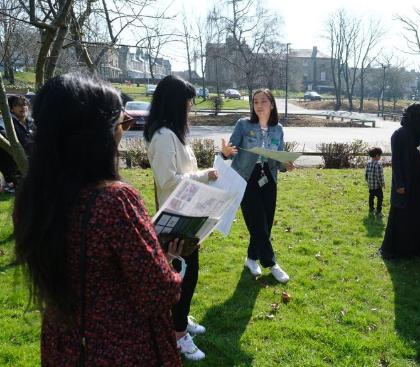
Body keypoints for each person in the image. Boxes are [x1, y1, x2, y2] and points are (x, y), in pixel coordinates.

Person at [13, 73, 183, 366]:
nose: (122, 133)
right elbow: (158, 292)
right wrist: (172, 261)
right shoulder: (114, 201)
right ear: (95, 135)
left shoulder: (32, 199)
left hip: (63, 346)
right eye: (121, 124)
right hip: (121, 347)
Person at [144, 75, 217, 361]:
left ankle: (181, 320)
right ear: (175, 102)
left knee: (188, 272)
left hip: (189, 212)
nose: (190, 106)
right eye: (187, 100)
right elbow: (168, 181)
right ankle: (176, 335)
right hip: (175, 218)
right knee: (185, 276)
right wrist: (205, 176)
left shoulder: (173, 133)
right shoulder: (162, 136)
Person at [220, 88, 294, 283]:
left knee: (265, 222)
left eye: (263, 101)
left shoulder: (278, 128)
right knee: (258, 222)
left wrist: (286, 164)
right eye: (255, 102)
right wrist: (225, 152)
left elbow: (279, 157)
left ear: (271, 104)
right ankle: (271, 263)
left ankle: (251, 259)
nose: (259, 105)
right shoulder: (243, 125)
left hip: (269, 178)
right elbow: (230, 149)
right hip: (246, 178)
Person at [380, 103, 420, 259]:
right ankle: (402, 250)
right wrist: (400, 184)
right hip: (405, 183)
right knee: (403, 216)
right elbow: (396, 162)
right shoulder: (399, 135)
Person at [365, 147, 385, 217]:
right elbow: (380, 176)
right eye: (380, 155)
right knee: (380, 198)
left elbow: (366, 173)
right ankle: (379, 211)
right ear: (377, 156)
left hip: (371, 185)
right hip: (377, 186)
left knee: (371, 196)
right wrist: (383, 184)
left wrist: (367, 181)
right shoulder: (378, 164)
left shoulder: (368, 163)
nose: (380, 157)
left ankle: (371, 208)